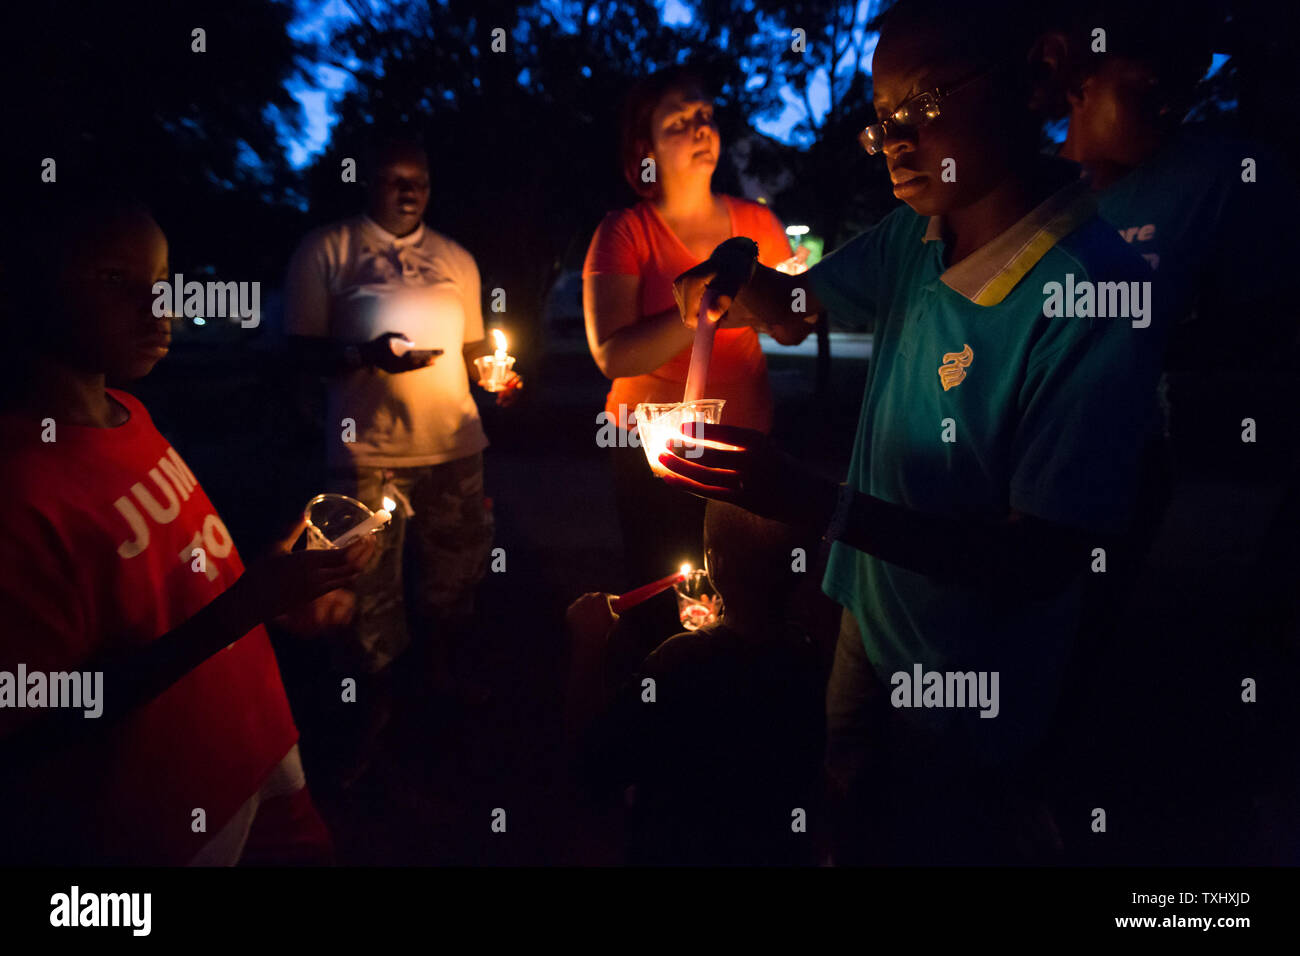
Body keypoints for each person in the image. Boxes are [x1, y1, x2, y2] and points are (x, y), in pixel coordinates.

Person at [661, 0, 1170, 863]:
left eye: (926, 102)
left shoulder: (1094, 294)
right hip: (868, 619)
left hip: (977, 684)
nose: (897, 137)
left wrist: (814, 502)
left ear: (1036, 73)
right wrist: (738, 276)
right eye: (883, 117)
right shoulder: (916, 233)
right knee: (848, 809)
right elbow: (794, 313)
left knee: (942, 829)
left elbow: (1039, 559)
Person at [0, 192, 375, 865]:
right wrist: (244, 608)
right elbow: (34, 722)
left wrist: (273, 578)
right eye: (117, 281)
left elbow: (172, 585)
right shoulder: (22, 487)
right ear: (29, 284)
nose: (159, 306)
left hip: (255, 741)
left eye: (163, 282)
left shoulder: (126, 414)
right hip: (163, 817)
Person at [285, 136, 519, 781]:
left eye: (418, 179)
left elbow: (477, 351)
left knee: (455, 573)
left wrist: (498, 379)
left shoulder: (456, 260)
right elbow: (298, 353)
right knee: (362, 587)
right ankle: (374, 707)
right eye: (392, 179)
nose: (408, 190)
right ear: (368, 184)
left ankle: (442, 680)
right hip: (364, 452)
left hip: (453, 448)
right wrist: (367, 356)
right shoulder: (326, 250)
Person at [583, 68, 808, 608]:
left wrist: (779, 303)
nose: (700, 127)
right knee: (665, 592)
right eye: (680, 121)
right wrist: (709, 309)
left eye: (705, 115)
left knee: (752, 599)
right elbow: (614, 353)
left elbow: (794, 324)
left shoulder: (755, 222)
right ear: (647, 147)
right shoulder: (625, 231)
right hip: (656, 457)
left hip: (745, 443)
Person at [566, 500, 825, 865]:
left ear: (713, 562)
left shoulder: (676, 663)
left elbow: (593, 761)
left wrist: (589, 644)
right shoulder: (814, 656)